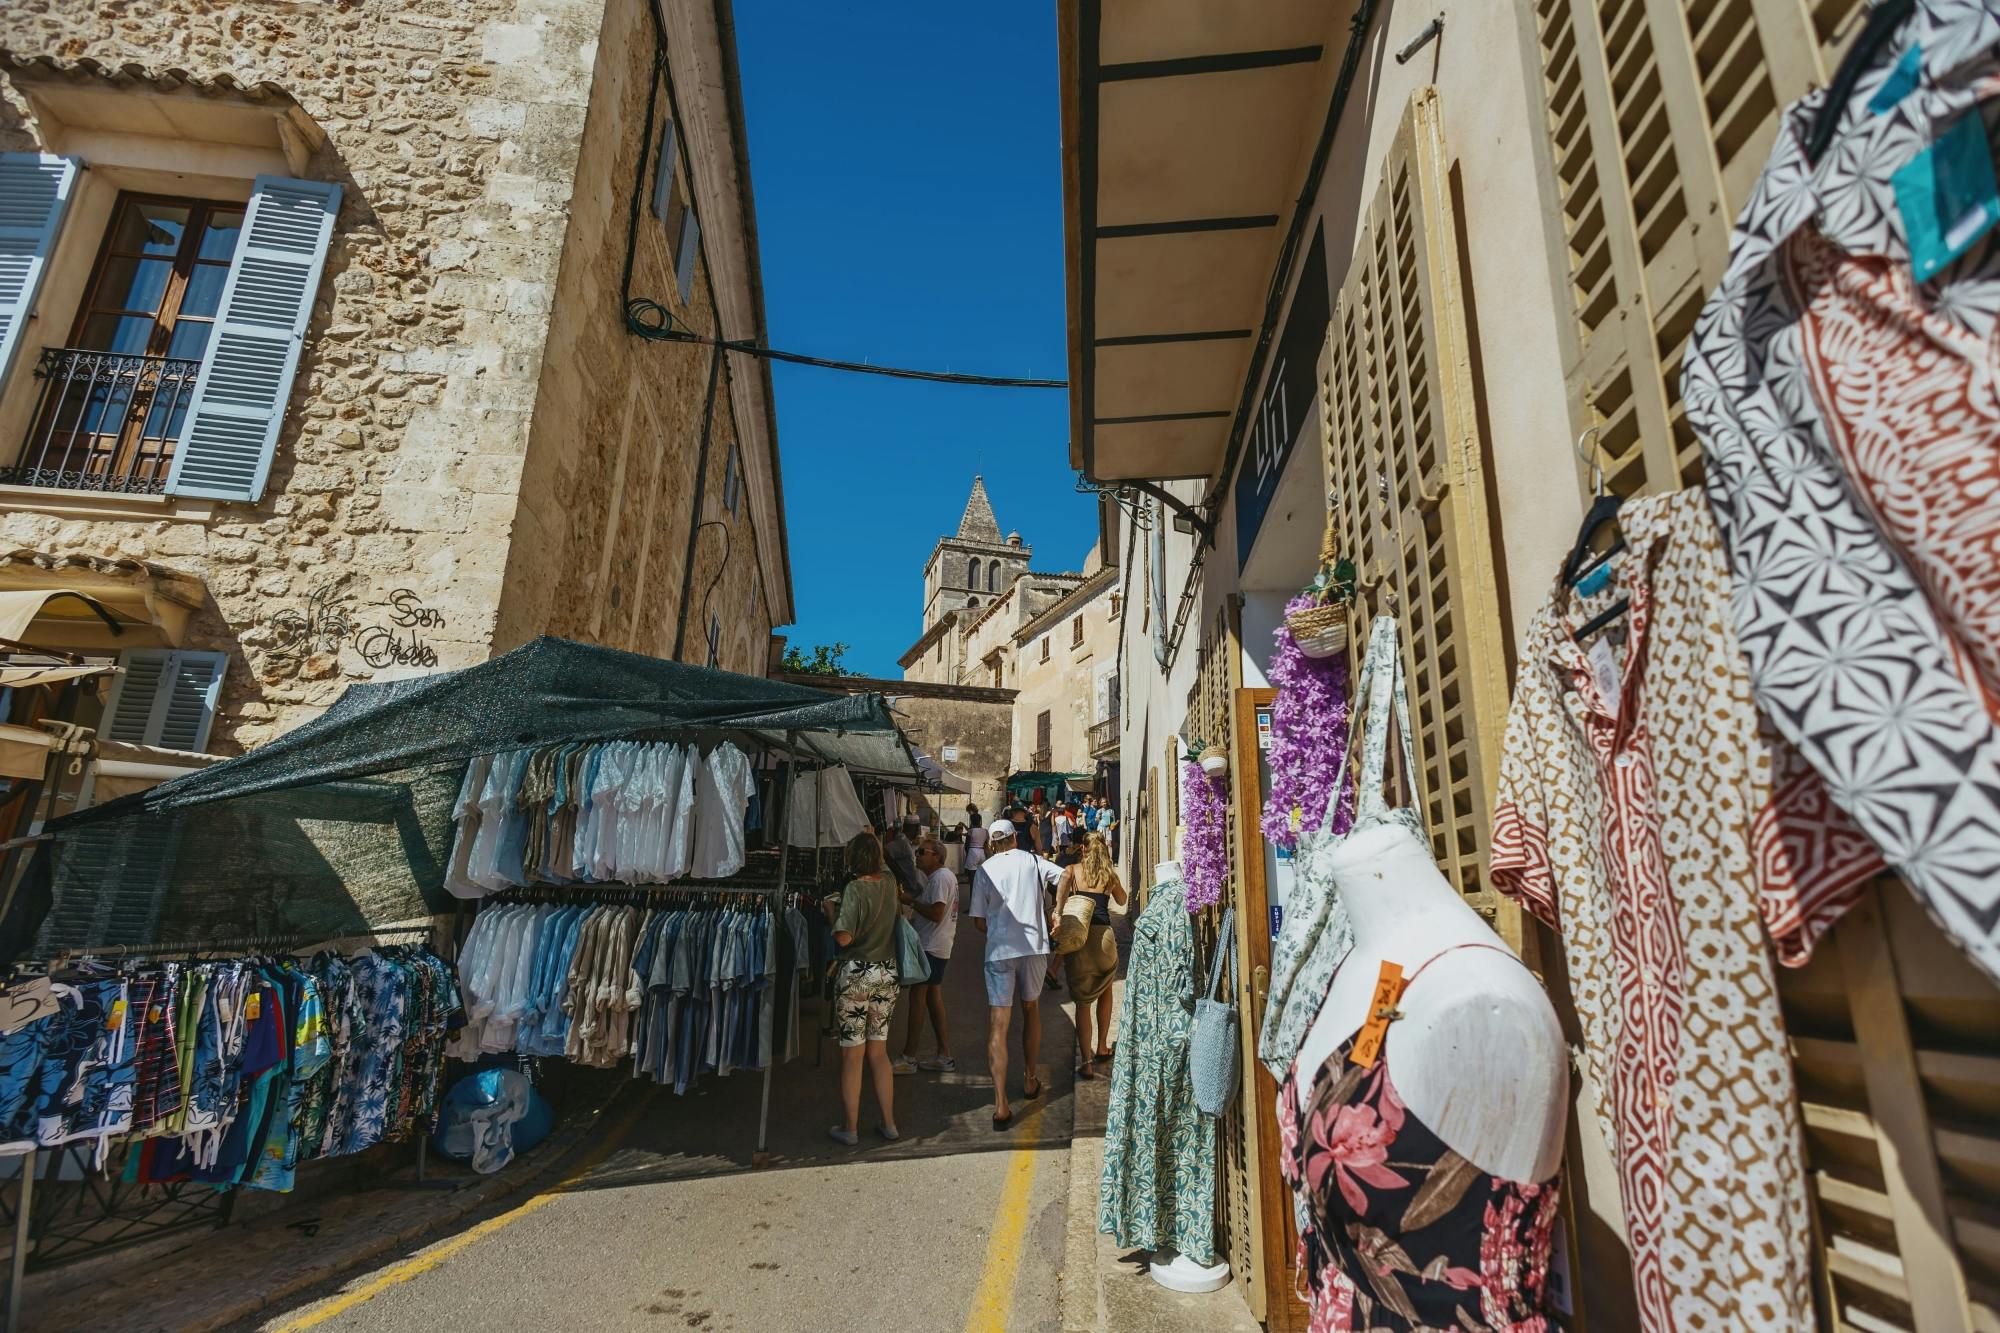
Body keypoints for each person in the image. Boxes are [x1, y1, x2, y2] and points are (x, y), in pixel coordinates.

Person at [970, 818, 1060, 1128]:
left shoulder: (985, 871)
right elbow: (1066, 877)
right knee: (1031, 1010)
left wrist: (998, 927)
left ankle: (1000, 1105)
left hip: (1000, 951)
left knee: (998, 1025)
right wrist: (1057, 911)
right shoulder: (1034, 861)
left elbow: (979, 921)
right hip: (1034, 947)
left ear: (993, 843)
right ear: (1015, 838)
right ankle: (1030, 1078)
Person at [827, 831, 901, 1145]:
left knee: (852, 1056)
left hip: (857, 974)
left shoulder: (854, 889)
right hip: (887, 973)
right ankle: (889, 1123)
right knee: (879, 1053)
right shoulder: (889, 883)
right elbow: (881, 862)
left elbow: (843, 937)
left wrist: (831, 911)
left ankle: (850, 1127)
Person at [1055, 831, 1127, 1077]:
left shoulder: (1071, 871)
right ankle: (1103, 1046)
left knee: (1082, 1002)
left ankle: (1086, 1062)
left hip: (1080, 940)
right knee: (1105, 990)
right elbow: (1122, 900)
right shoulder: (1109, 875)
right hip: (1104, 938)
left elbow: (1059, 902)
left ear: (1083, 849)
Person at [896, 834, 958, 1073]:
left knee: (918, 998)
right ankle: (944, 1055)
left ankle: (909, 1056)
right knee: (932, 998)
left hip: (931, 946)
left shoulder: (941, 878)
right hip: (937, 945)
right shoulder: (941, 877)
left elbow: (936, 913)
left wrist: (909, 901)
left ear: (937, 857)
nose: (917, 855)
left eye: (922, 852)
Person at [962, 805, 988, 884]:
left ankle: (972, 894)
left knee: (972, 877)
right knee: (980, 874)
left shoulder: (972, 830)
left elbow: (968, 842)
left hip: (973, 852)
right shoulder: (985, 831)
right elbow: (986, 843)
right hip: (982, 852)